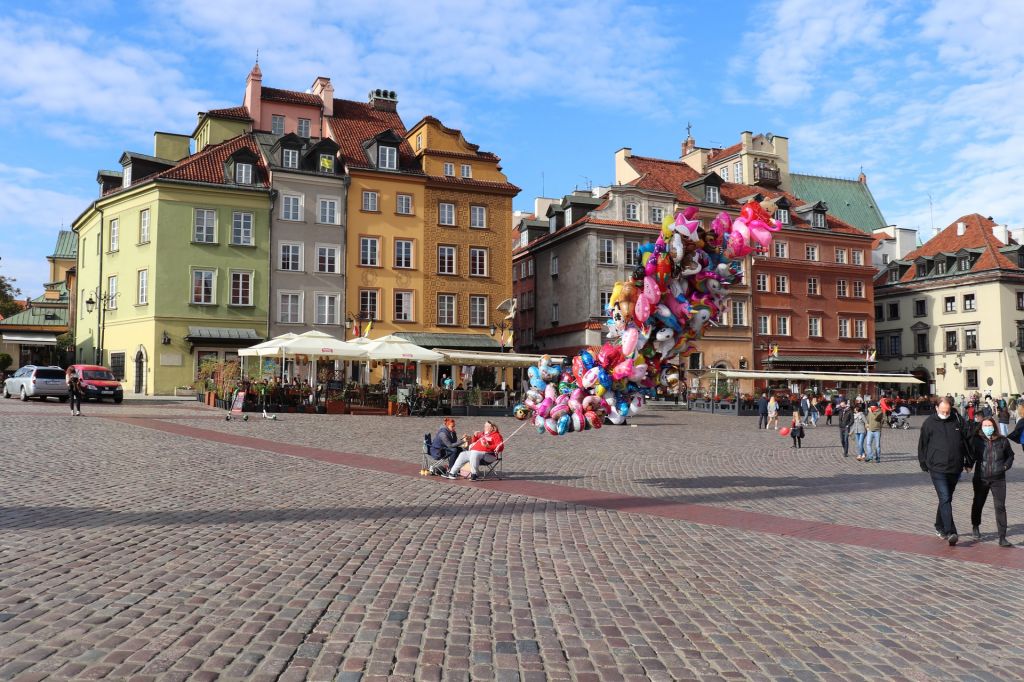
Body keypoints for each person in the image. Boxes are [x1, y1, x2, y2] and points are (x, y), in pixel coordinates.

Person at [918, 396, 972, 545]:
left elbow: (967, 441)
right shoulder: (929, 423)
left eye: (947, 411)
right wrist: (923, 462)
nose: (945, 413)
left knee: (945, 499)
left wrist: (969, 461)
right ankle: (951, 531)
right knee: (945, 498)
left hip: (955, 467)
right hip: (937, 467)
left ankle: (939, 525)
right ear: (936, 408)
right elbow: (922, 444)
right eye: (942, 411)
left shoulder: (958, 421)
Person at [969, 417, 1014, 546]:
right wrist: (968, 464)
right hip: (981, 478)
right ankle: (975, 525)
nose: (988, 427)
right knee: (978, 503)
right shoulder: (977, 440)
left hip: (998, 478)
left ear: (994, 426)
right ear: (981, 427)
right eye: (985, 425)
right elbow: (971, 455)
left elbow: (1010, 456)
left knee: (1000, 507)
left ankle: (1002, 537)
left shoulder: (1002, 440)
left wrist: (1005, 466)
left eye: (990, 425)